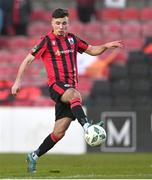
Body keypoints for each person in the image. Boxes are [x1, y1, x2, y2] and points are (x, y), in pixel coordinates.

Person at [11, 8, 123, 173]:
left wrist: (106, 46)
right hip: (57, 86)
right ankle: (87, 127)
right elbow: (27, 60)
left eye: (64, 23)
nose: (61, 26)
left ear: (68, 24)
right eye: (58, 23)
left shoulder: (73, 39)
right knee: (75, 95)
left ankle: (33, 156)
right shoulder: (47, 41)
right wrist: (17, 81)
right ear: (52, 23)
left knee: (59, 133)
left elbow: (92, 50)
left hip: (69, 91)